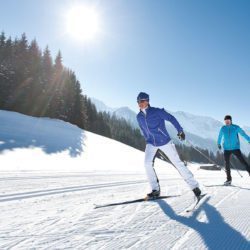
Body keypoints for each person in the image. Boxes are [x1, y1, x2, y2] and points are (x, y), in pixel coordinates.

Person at [136, 92, 202, 199]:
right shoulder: (138, 117)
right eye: (138, 101)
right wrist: (147, 138)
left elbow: (171, 118)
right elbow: (143, 129)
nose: (140, 103)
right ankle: (155, 189)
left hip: (164, 141)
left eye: (142, 101)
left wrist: (180, 130)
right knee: (147, 163)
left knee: (177, 163)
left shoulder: (157, 111)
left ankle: (194, 186)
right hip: (151, 143)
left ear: (147, 101)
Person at [217, 115, 250, 185]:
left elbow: (243, 134)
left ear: (231, 121)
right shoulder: (223, 128)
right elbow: (220, 136)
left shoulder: (236, 127)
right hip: (226, 149)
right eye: (225, 121)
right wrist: (218, 144)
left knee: (242, 161)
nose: (227, 122)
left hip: (235, 148)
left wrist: (249, 140)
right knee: (227, 164)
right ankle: (229, 180)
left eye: (228, 121)